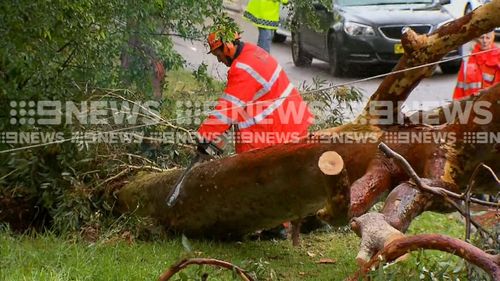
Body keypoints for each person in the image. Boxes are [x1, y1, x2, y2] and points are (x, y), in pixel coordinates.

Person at [197, 30, 313, 156]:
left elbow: (227, 110)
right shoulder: (253, 51)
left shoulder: (243, 69)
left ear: (227, 47)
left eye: (218, 55)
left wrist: (205, 135)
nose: (220, 60)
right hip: (292, 125)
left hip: (277, 136)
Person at [453, 31, 500, 100]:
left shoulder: (498, 58)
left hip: (492, 105)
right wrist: (455, 107)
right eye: (482, 38)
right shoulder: (467, 59)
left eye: (488, 38)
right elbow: (460, 87)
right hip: (471, 105)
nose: (484, 41)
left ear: (493, 38)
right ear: (476, 38)